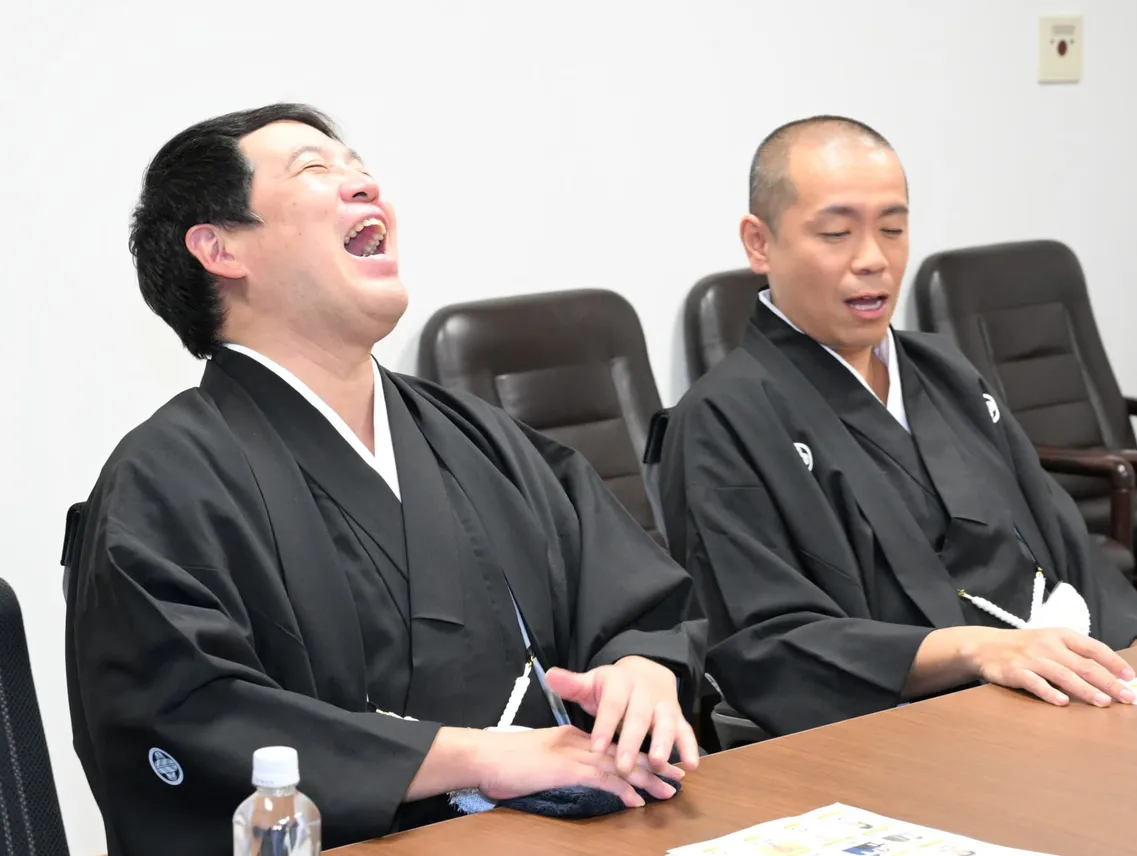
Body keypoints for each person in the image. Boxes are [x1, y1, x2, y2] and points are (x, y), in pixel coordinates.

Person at [66, 104, 705, 856]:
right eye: (316, 169)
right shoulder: (164, 481)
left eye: (360, 166)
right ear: (219, 248)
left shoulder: (477, 437)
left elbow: (636, 597)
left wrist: (643, 671)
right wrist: (478, 759)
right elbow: (185, 719)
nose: (363, 184)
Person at [658, 115, 1137, 738]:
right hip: (900, 733)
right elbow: (762, 645)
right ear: (759, 243)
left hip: (1050, 697)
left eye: (893, 229)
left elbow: (1059, 537)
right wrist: (976, 652)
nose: (873, 260)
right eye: (837, 233)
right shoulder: (721, 418)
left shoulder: (942, 369)